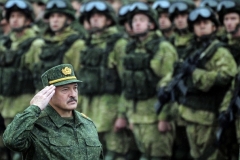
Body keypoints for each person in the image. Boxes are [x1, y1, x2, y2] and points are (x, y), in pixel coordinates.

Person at [158, 6, 237, 160]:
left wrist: (196, 73)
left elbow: (227, 77)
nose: (201, 26)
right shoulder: (192, 50)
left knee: (210, 155)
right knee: (195, 155)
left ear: (214, 27)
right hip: (189, 113)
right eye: (197, 24)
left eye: (205, 23)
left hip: (209, 115)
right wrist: (164, 87)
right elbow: (176, 72)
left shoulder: (219, 52)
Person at [114, 2, 178, 159]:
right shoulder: (130, 49)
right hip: (136, 116)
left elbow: (170, 85)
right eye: (134, 20)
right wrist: (123, 114)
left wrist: (164, 118)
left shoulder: (163, 48)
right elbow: (127, 85)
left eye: (142, 19)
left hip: (155, 117)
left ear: (152, 24)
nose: (137, 23)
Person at [78, 1, 139, 159]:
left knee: (116, 154)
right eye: (92, 17)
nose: (95, 19)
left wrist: (122, 115)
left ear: (109, 20)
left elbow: (128, 83)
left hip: (112, 112)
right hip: (89, 112)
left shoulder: (119, 44)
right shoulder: (87, 44)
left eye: (100, 16)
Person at [3, 64, 103, 160]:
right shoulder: (35, 125)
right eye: (65, 89)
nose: (72, 94)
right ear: (49, 94)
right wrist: (34, 107)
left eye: (75, 88)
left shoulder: (87, 123)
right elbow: (11, 141)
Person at [0, 0, 44, 159]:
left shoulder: (36, 44)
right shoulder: (6, 43)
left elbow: (40, 79)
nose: (15, 19)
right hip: (6, 105)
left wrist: (37, 109)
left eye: (19, 16)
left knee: (26, 151)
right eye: (12, 16)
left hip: (25, 106)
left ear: (28, 20)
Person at [33, 0, 85, 91]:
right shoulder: (42, 43)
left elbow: (79, 79)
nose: (55, 20)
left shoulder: (76, 44)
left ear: (68, 19)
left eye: (60, 16)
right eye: (52, 16)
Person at [216, 0, 240, 159]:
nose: (229, 23)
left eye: (233, 18)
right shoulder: (221, 45)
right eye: (226, 19)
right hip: (224, 107)